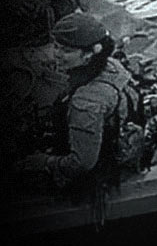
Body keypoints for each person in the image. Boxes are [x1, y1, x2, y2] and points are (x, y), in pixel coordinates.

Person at [12, 12, 142, 197]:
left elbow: (81, 163)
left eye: (66, 51)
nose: (56, 55)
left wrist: (44, 162)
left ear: (89, 54)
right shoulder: (111, 65)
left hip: (96, 175)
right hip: (117, 144)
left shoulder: (87, 101)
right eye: (56, 47)